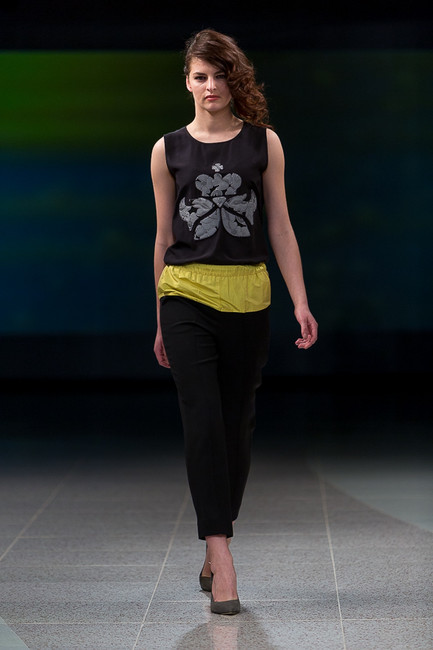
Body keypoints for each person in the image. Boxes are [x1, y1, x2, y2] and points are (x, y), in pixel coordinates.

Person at [151, 28, 318, 616]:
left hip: (249, 297)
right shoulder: (167, 150)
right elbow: (163, 237)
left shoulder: (263, 143)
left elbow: (280, 226)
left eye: (220, 75)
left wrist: (300, 301)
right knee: (201, 421)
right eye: (200, 76)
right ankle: (221, 559)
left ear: (233, 79)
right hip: (185, 295)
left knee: (235, 427)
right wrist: (160, 316)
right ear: (187, 82)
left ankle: (214, 536)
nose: (211, 86)